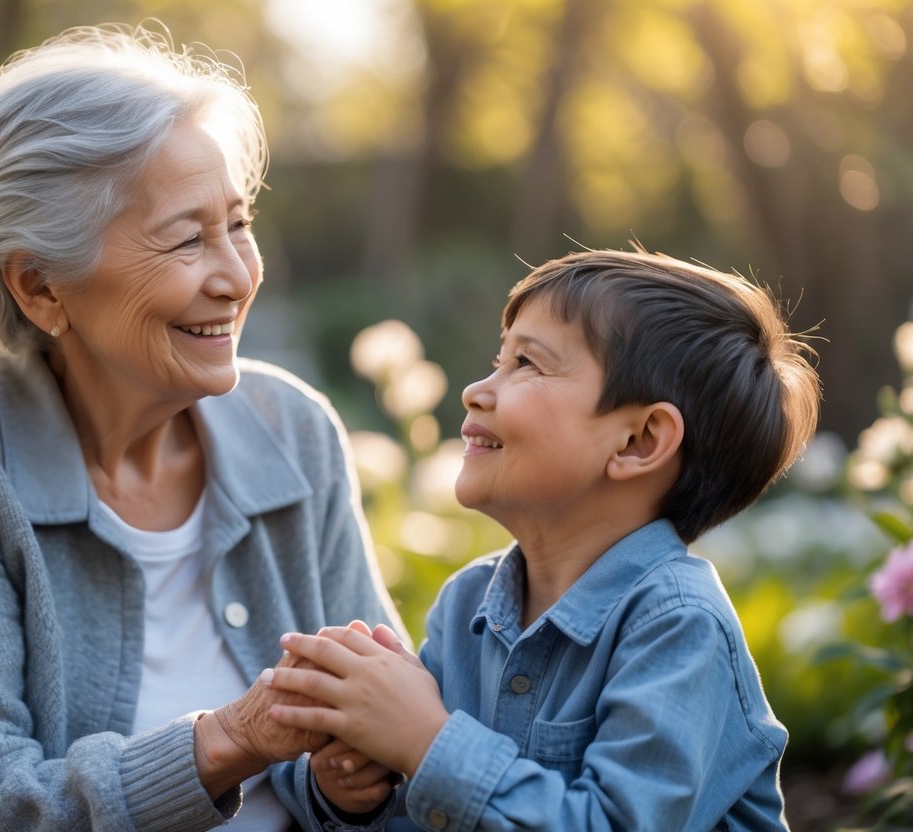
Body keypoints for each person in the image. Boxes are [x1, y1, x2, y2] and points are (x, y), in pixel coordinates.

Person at [0, 22, 404, 832]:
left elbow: (376, 739)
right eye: (185, 240)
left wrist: (350, 782)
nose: (236, 277)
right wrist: (230, 739)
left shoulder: (292, 429)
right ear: (39, 286)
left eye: (237, 223)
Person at [264, 248, 821, 830]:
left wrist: (427, 741)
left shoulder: (678, 626)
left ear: (639, 441)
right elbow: (431, 808)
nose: (477, 390)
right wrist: (357, 786)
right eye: (497, 360)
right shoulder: (468, 605)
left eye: (526, 363)